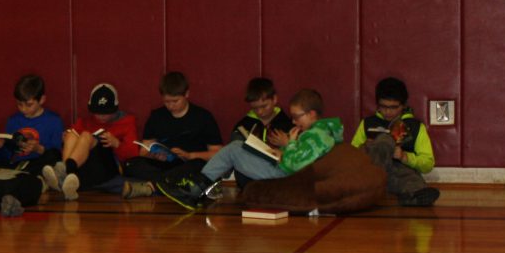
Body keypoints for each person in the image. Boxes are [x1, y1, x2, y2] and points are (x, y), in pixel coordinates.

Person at [157, 88, 342, 210]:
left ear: (311, 114)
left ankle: (197, 188)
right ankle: (202, 186)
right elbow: (302, 158)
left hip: (283, 173)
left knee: (233, 150)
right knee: (238, 147)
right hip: (283, 166)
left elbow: (295, 165)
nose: (293, 121)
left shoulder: (316, 135)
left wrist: (290, 144)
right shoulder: (320, 132)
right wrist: (282, 151)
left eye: (297, 117)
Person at [121, 71, 223, 198]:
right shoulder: (156, 116)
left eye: (175, 101)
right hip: (166, 165)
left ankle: (152, 187)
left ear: (187, 94)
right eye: (166, 102)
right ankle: (171, 184)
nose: (170, 106)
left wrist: (190, 155)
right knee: (131, 164)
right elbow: (144, 150)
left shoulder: (203, 117)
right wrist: (154, 155)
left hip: (191, 163)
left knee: (198, 166)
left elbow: (217, 153)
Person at [41, 83, 139, 201]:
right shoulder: (85, 121)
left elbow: (133, 154)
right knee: (72, 134)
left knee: (86, 136)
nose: (101, 116)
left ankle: (65, 173)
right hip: (87, 165)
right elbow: (71, 138)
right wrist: (66, 137)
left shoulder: (127, 122)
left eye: (106, 112)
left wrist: (116, 143)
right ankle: (68, 176)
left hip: (110, 166)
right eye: (98, 112)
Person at [351, 77, 439, 207]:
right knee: (385, 139)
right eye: (383, 107)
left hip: (399, 173)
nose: (388, 111)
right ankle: (365, 190)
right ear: (377, 104)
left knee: (413, 181)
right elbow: (352, 156)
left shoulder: (415, 126)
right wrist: (367, 147)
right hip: (372, 170)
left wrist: (405, 157)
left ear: (403, 105)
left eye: (393, 107)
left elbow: (427, 164)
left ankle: (413, 197)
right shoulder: (367, 123)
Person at [0, 73, 64, 175]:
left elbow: (57, 155)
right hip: (18, 166)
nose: (23, 109)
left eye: (29, 105)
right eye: (19, 104)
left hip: (41, 164)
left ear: (42, 100)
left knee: (51, 161)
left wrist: (39, 149)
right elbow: (7, 157)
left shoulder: (54, 121)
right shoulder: (13, 120)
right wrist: (0, 147)